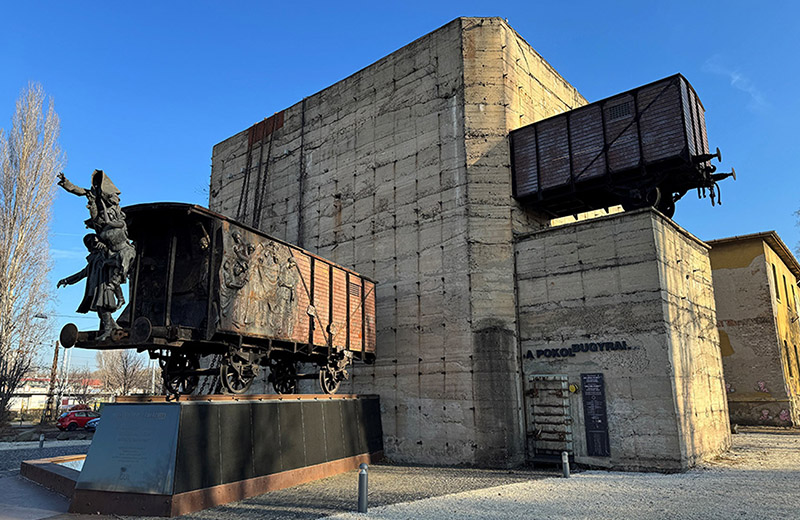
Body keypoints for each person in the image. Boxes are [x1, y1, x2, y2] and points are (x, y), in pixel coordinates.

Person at [57, 234, 120, 340]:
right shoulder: (93, 261)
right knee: (102, 311)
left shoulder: (103, 256)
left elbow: (114, 258)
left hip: (103, 288)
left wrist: (104, 248)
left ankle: (109, 330)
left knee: (103, 309)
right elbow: (81, 274)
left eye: (93, 243)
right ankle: (114, 328)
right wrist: (67, 280)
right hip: (95, 289)